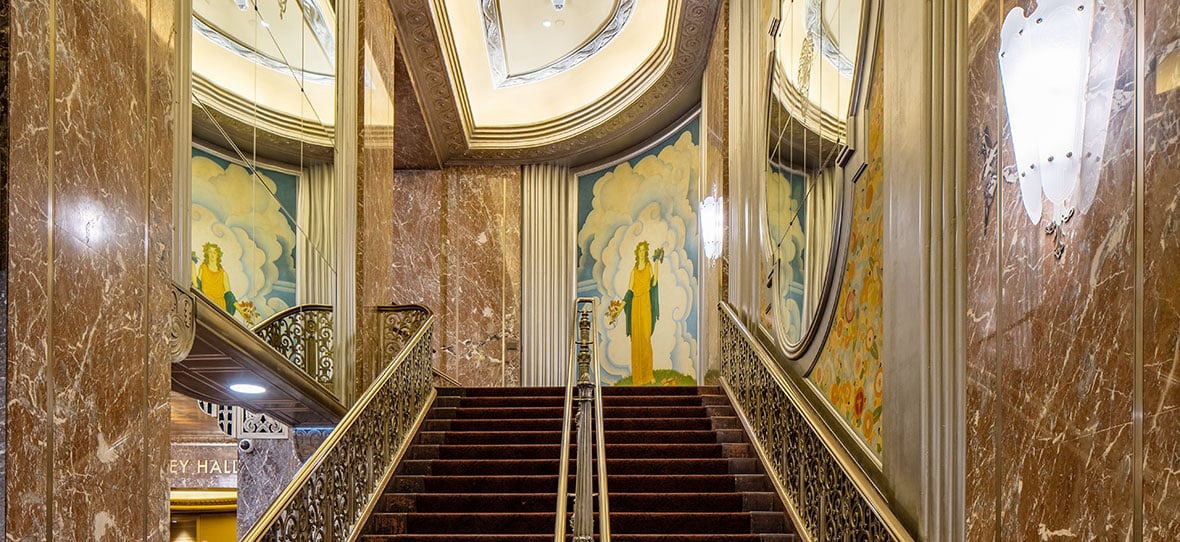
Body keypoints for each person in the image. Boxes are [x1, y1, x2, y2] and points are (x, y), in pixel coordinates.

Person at [622, 241, 660, 386]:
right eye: (640, 250)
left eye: (644, 250)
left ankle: (648, 374)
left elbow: (654, 282)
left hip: (645, 304)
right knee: (636, 342)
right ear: (637, 253)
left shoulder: (649, 267)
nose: (642, 252)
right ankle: (637, 378)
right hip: (635, 306)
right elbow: (629, 291)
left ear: (646, 252)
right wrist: (619, 309)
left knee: (645, 339)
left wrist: (656, 262)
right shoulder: (633, 271)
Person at [197, 242, 237, 315]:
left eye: (214, 252)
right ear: (207, 254)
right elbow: (197, 284)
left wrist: (240, 310)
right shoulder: (203, 268)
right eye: (210, 252)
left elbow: (229, 294)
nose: (212, 255)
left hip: (220, 306)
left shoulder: (223, 273)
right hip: (206, 302)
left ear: (218, 255)